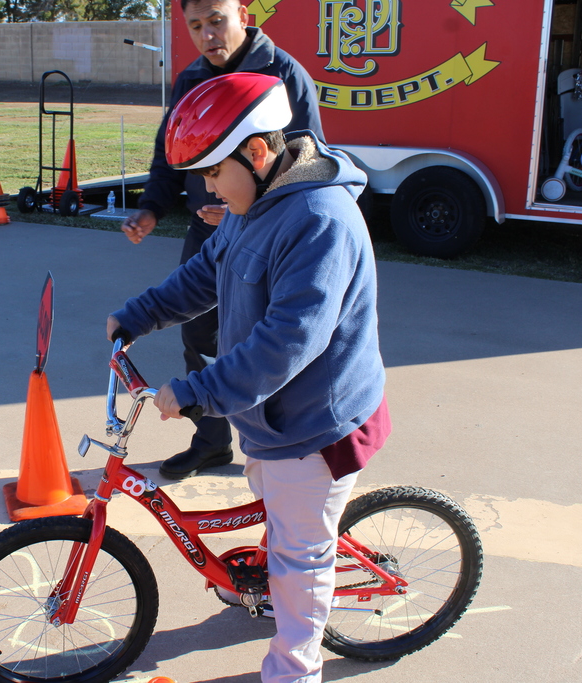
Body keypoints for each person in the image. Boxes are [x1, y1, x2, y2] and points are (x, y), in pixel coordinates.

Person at [107, 73, 391, 683]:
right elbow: (206, 272)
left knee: (300, 559)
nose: (207, 189)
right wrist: (139, 315)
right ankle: (275, 586)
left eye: (213, 173)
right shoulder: (250, 205)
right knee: (276, 513)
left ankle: (294, 668)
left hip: (316, 425)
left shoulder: (319, 219)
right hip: (268, 417)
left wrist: (197, 393)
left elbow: (288, 341)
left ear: (258, 154)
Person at [120, 0, 325, 480]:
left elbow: (306, 159)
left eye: (216, 20)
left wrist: (249, 206)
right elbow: (169, 150)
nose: (207, 34)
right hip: (208, 231)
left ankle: (276, 441)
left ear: (244, 15)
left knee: (265, 334)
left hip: (270, 234)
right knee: (200, 335)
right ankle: (212, 441)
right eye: (195, 26)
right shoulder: (192, 77)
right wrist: (152, 207)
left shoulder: (283, 74)